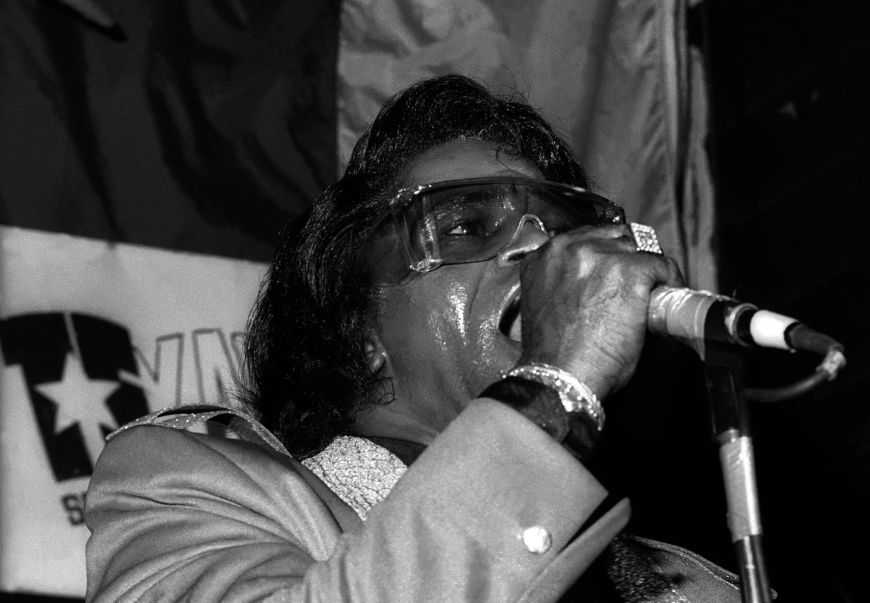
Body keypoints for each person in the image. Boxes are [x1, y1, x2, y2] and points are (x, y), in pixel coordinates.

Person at [84, 74, 743, 601]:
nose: (536, 248)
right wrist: (555, 390)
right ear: (359, 325)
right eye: (465, 226)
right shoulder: (182, 482)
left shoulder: (699, 586)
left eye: (557, 225)